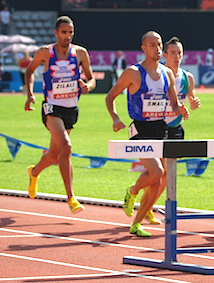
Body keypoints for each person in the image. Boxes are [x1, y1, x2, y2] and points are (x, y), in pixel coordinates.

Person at [105, 31, 189, 237]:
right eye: (152, 45)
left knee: (157, 180)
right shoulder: (133, 72)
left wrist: (181, 109)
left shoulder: (167, 73)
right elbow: (110, 96)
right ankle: (133, 191)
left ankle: (136, 223)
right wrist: (116, 118)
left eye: (159, 44)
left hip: (160, 129)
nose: (157, 49)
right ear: (143, 48)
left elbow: (174, 103)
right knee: (157, 172)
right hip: (140, 130)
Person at [23, 15, 95, 214]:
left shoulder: (80, 53)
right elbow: (29, 72)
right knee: (66, 147)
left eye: (70, 32)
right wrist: (30, 94)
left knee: (55, 154)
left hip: (71, 108)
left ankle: (34, 171)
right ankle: (71, 197)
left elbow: (91, 78)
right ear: (56, 33)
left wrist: (88, 86)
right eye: (64, 32)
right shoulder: (45, 52)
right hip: (52, 106)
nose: (67, 36)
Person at [138, 36, 201, 225]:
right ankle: (143, 204)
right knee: (159, 174)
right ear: (164, 55)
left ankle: (148, 207)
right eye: (172, 53)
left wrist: (193, 103)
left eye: (179, 53)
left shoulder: (188, 77)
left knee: (166, 176)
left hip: (176, 127)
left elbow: (191, 99)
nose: (177, 56)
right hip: (159, 126)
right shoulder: (160, 75)